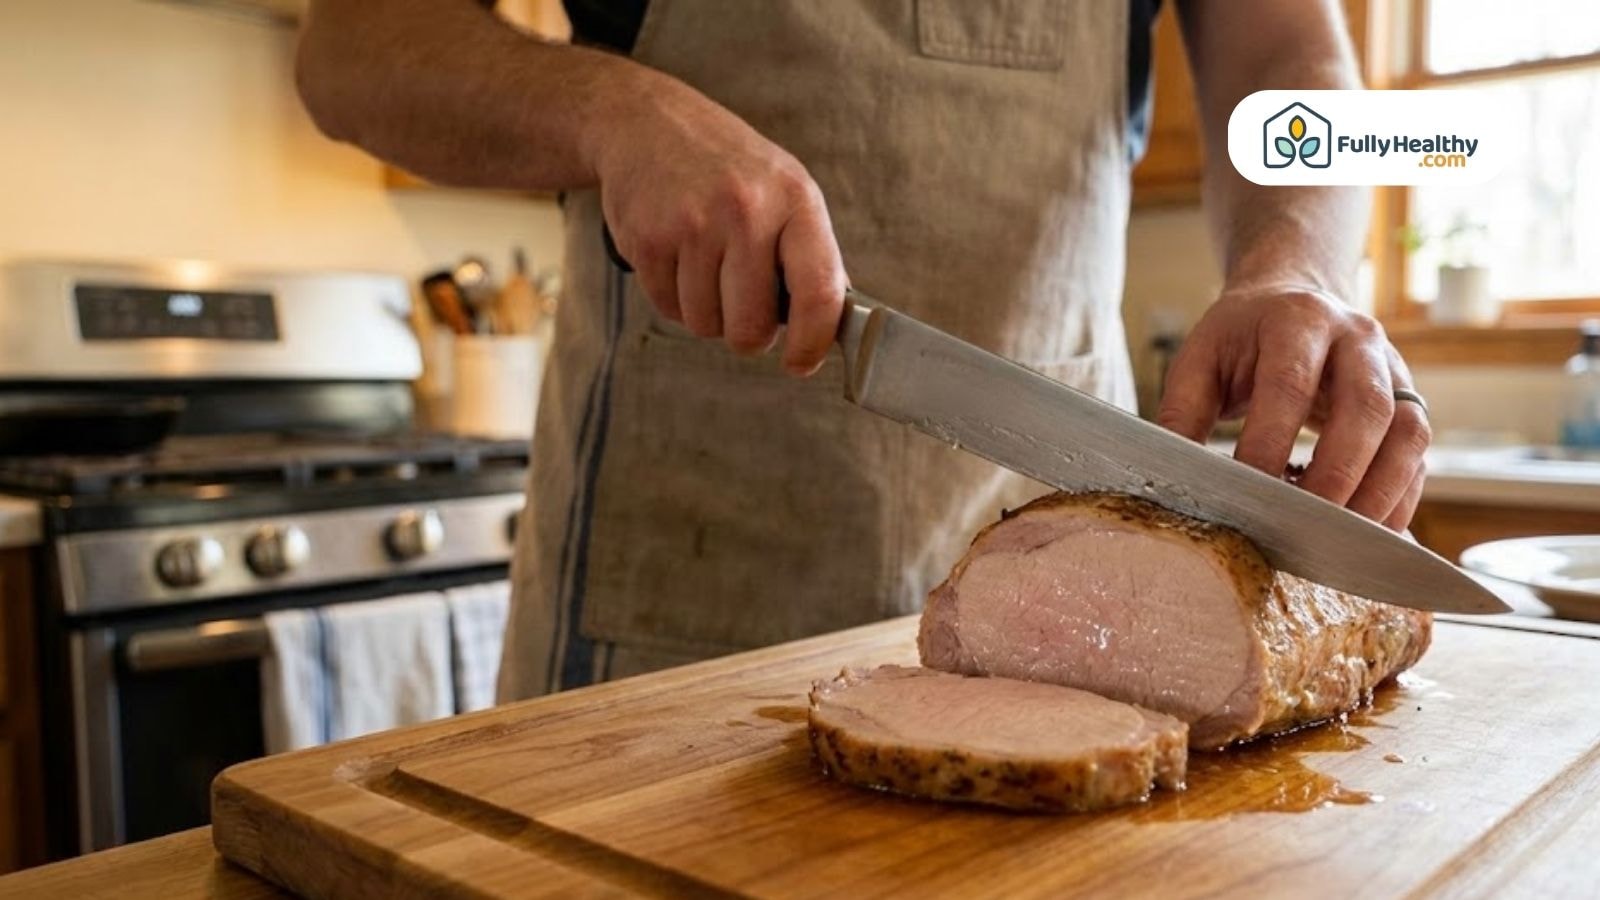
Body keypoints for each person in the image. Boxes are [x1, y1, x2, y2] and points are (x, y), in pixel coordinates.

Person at [296, 0, 1431, 700]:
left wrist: (1298, 264)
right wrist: (611, 107)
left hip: (1078, 570)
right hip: (676, 587)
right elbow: (353, 46)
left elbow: (1291, 53)